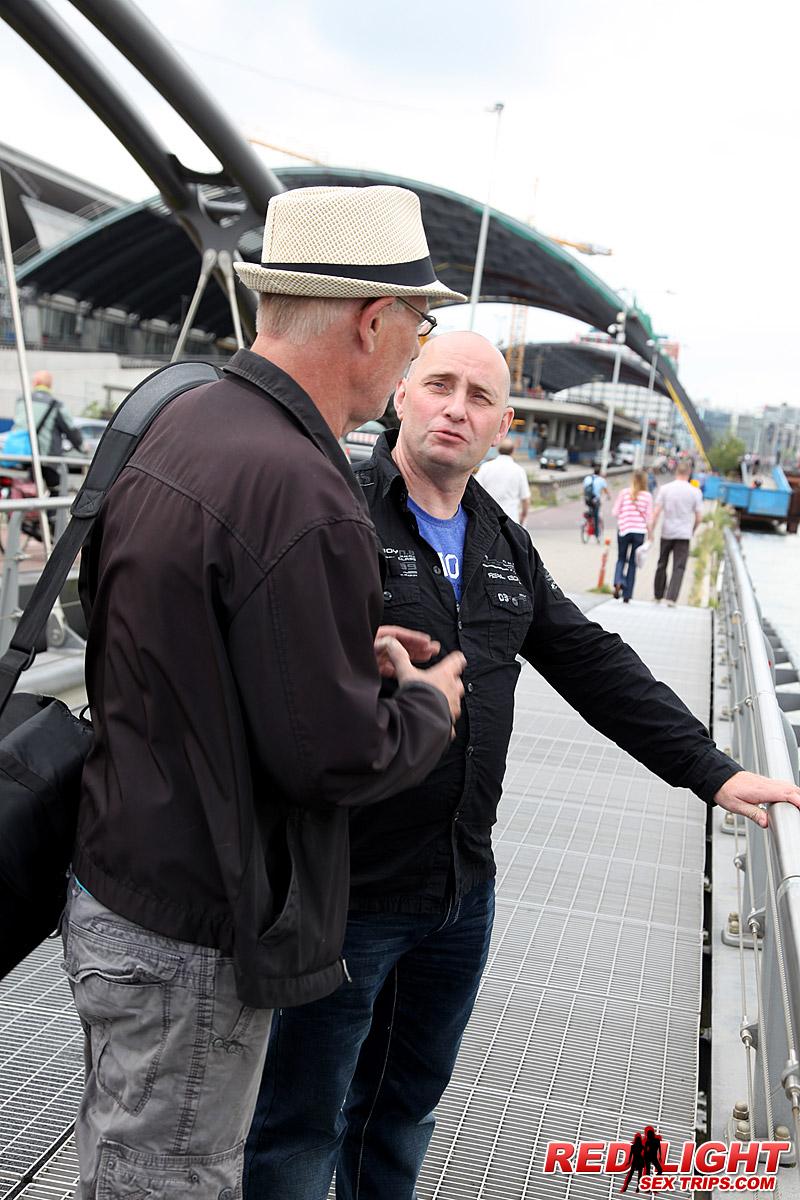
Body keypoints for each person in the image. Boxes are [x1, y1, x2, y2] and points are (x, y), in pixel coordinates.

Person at [244, 331, 800, 1200]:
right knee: (298, 1125)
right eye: (439, 385)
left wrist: (712, 770)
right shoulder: (339, 509)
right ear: (402, 393)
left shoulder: (500, 541)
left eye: (479, 397)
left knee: (402, 1112)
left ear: (504, 425)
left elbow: (590, 661)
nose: (454, 409)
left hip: (460, 893)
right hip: (342, 892)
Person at [64, 184, 469, 1195]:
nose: (413, 349)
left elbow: (134, 614)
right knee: (168, 1178)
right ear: (370, 321)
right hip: (194, 926)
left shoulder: (183, 417)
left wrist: (321, 640)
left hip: (116, 878)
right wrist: (426, 707)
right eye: (417, 327)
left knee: (123, 1159)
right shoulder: (303, 487)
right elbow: (332, 757)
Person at [10, 370, 85, 493]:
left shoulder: (22, 401)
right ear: (50, 385)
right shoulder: (57, 405)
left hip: (22, 455)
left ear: (35, 383)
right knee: (55, 490)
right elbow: (71, 431)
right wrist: (81, 447)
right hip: (47, 459)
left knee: (24, 490)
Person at [652, 460, 704, 605]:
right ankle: (671, 598)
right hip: (684, 534)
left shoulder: (665, 489)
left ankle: (658, 595)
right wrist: (693, 530)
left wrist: (651, 531)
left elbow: (656, 512)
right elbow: (699, 517)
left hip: (666, 531)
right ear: (689, 473)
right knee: (679, 567)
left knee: (662, 563)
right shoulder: (695, 492)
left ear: (676, 472)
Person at [612, 469, 654, 602]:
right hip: (639, 532)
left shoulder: (624, 493)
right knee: (632, 562)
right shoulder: (647, 496)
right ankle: (627, 594)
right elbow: (649, 518)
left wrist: (625, 517)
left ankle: (618, 581)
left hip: (624, 529)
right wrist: (651, 535)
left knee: (621, 558)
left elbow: (615, 512)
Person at [475, 436, 531, 524]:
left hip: (487, 518)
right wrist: (524, 515)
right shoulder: (519, 471)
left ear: (498, 450)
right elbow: (525, 499)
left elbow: (475, 490)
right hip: (511, 519)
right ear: (513, 451)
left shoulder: (486, 467)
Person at [582, 461, 607, 542]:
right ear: (600, 472)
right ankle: (597, 534)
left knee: (590, 511)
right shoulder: (601, 480)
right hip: (595, 500)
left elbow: (584, 488)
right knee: (596, 516)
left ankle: (587, 521)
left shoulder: (587, 478)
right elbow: (606, 491)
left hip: (587, 499)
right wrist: (608, 497)